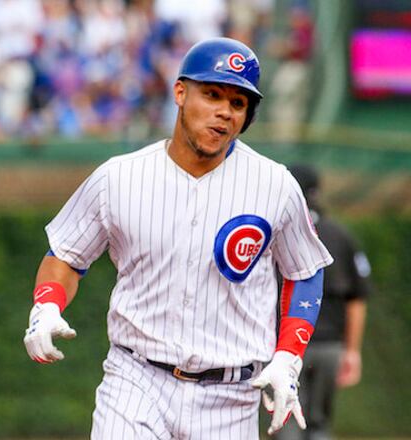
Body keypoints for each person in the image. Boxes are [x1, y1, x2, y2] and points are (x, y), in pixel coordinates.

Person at [22, 37, 333, 439]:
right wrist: (46, 305)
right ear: (181, 92)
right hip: (135, 380)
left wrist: (289, 356)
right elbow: (66, 254)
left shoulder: (275, 185)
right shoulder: (119, 177)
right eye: (213, 94)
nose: (224, 111)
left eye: (238, 103)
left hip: (231, 397)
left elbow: (305, 271)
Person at [275, 164, 372, 440]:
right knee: (319, 426)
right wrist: (352, 350)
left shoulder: (275, 232)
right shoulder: (341, 235)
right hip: (331, 346)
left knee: (285, 425)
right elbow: (357, 298)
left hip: (286, 347)